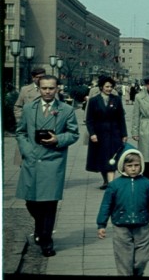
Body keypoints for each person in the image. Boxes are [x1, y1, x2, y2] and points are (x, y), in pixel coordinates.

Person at [15, 74, 80, 257]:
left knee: (49, 203)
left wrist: (58, 139)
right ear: (39, 88)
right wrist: (27, 151)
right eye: (44, 88)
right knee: (31, 201)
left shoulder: (66, 109)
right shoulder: (29, 108)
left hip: (53, 160)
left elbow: (74, 134)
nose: (48, 91)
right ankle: (39, 227)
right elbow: (20, 132)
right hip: (32, 160)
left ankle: (46, 240)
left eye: (51, 88)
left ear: (57, 88)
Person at [96, 143, 149, 276]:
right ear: (123, 166)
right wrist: (101, 224)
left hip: (142, 227)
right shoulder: (115, 185)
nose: (133, 169)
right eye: (130, 166)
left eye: (136, 165)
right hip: (121, 227)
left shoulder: (148, 184)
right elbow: (106, 205)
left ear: (141, 165)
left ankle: (138, 273)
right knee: (124, 261)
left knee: (142, 259)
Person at [85, 75, 128, 189]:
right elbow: (89, 119)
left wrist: (124, 134)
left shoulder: (116, 99)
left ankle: (111, 183)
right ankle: (106, 180)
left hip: (114, 133)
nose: (109, 89)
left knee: (112, 157)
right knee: (101, 157)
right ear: (101, 87)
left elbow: (121, 118)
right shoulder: (94, 101)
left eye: (111, 87)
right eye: (107, 86)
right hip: (99, 134)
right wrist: (92, 133)